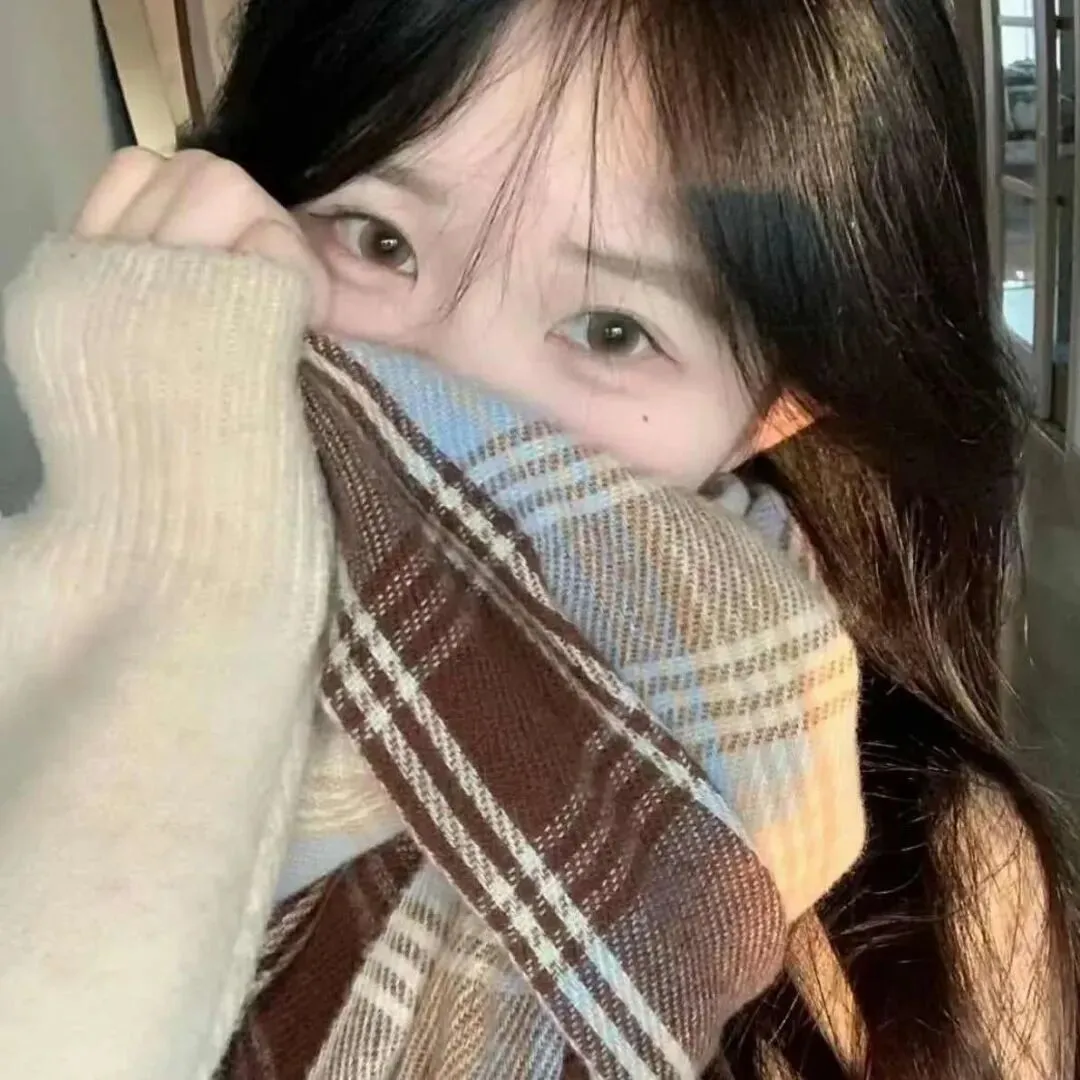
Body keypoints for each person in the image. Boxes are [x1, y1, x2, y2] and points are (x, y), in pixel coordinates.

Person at [0, 0, 1076, 1077]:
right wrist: (150, 548)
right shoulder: (63, 621)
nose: (449, 388)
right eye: (378, 238)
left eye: (613, 330)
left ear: (775, 409)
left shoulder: (938, 905)